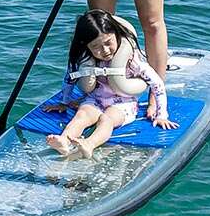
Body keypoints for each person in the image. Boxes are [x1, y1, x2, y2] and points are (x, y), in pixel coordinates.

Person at [44, 10, 174, 159]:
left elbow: (157, 84)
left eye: (108, 42)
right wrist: (64, 102)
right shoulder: (86, 60)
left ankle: (89, 144)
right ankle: (64, 141)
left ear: (117, 35)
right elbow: (70, 78)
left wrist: (161, 115)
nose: (104, 50)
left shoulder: (131, 61)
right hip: (95, 100)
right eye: (96, 46)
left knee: (106, 119)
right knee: (81, 115)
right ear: (86, 46)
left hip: (123, 105)